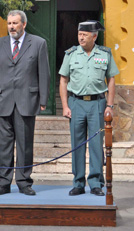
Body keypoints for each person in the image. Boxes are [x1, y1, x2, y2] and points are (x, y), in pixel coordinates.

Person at [0, 10, 50, 196]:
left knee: (25, 144)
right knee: (3, 146)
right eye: (9, 23)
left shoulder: (38, 43)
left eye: (15, 23)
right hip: (2, 100)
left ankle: (24, 182)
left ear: (24, 24)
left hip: (27, 101)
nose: (11, 27)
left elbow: (44, 73)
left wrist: (44, 99)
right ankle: (3, 183)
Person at [59, 21, 119, 196]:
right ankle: (78, 182)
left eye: (85, 34)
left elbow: (112, 80)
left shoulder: (105, 54)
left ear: (94, 36)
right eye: (79, 34)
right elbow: (63, 80)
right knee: (77, 144)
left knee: (95, 144)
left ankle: (95, 183)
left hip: (97, 104)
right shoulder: (71, 54)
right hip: (76, 103)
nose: (81, 37)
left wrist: (110, 105)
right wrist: (64, 106)